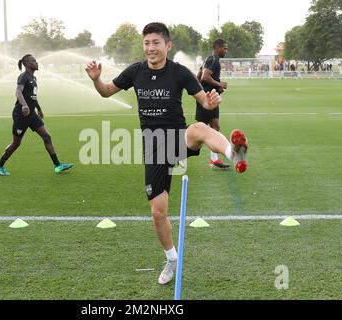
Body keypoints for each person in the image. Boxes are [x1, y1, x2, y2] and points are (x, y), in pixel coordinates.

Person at [85, 23, 248, 285]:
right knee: (158, 213)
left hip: (177, 138)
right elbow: (106, 92)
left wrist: (212, 101)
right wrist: (95, 79)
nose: (150, 48)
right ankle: (171, 258)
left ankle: (234, 153)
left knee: (199, 128)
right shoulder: (135, 72)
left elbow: (203, 101)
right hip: (153, 146)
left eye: (156, 43)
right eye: (147, 43)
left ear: (167, 45)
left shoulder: (180, 73)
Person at [0, 54, 74, 176]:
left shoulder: (34, 79)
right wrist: (24, 105)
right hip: (21, 114)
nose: (37, 63)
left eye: (36, 60)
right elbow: (18, 91)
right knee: (16, 143)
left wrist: (39, 109)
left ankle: (57, 165)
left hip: (31, 114)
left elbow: (33, 97)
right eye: (33, 61)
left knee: (47, 136)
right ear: (27, 64)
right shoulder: (23, 77)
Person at [195, 39, 230, 169]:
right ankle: (179, 153)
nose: (226, 51)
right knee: (199, 130)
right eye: (225, 48)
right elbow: (204, 76)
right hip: (207, 99)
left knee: (215, 127)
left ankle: (214, 160)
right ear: (218, 48)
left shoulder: (209, 59)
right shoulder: (213, 60)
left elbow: (199, 77)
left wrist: (216, 87)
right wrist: (219, 84)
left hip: (211, 97)